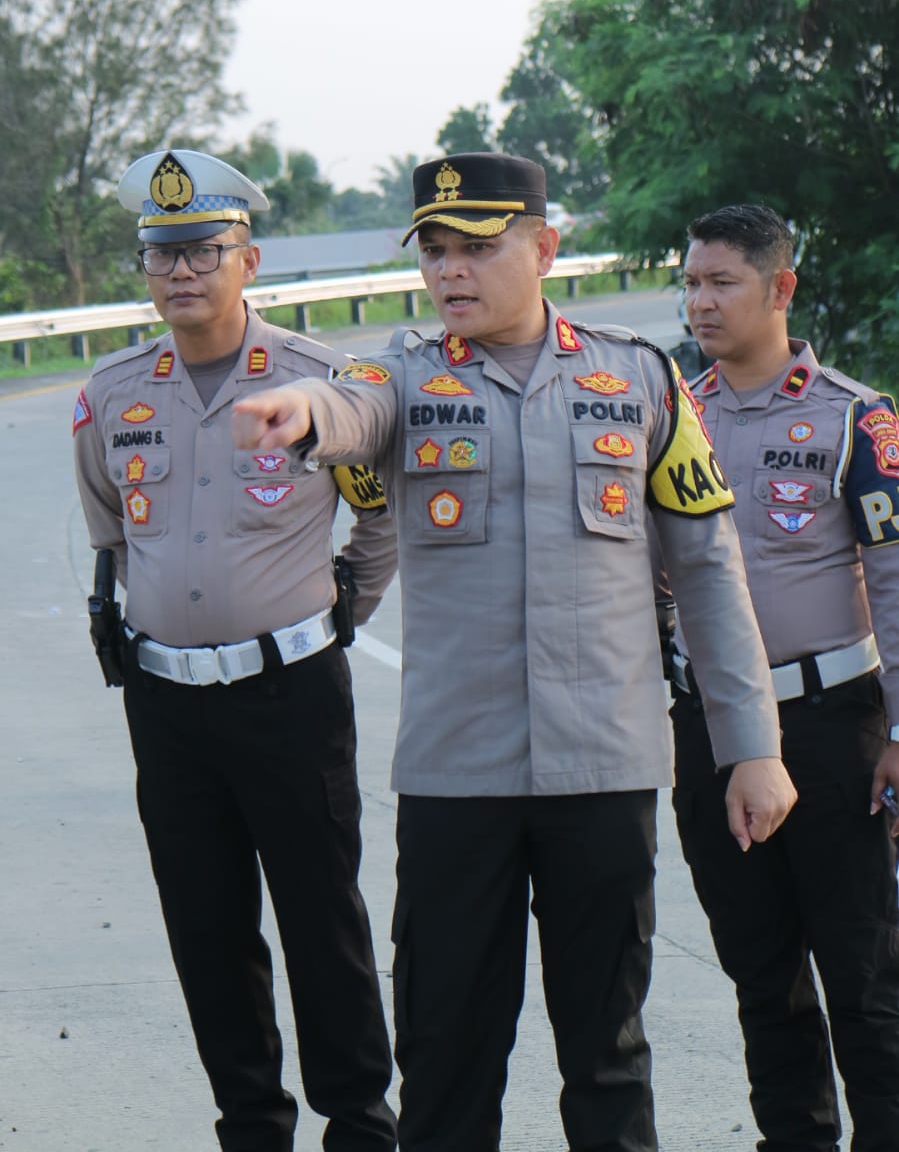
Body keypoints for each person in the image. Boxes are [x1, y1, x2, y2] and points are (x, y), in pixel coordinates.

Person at [231, 151, 797, 1152]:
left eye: (477, 248)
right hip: (458, 782)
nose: (450, 271)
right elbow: (347, 409)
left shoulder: (638, 378)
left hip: (604, 769)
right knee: (446, 1058)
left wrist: (749, 745)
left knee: (607, 1056)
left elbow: (707, 571)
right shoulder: (398, 375)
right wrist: (302, 414)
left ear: (543, 247)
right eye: (436, 251)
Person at [72, 147, 398, 1152]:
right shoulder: (113, 395)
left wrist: (342, 604)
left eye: (203, 250)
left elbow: (378, 522)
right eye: (161, 253)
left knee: (321, 922)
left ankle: (357, 1122)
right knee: (206, 930)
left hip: (290, 693)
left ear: (245, 258)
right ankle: (251, 1125)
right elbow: (111, 536)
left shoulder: (315, 380)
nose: (181, 272)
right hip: (167, 707)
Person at [668, 202, 899, 1152]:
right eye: (689, 282)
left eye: (720, 281)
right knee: (759, 967)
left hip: (831, 725)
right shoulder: (667, 415)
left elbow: (892, 580)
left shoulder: (856, 416)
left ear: (780, 288)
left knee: (864, 970)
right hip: (714, 727)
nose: (699, 302)